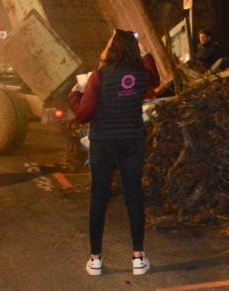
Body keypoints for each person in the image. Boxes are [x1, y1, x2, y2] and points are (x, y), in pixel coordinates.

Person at [69, 29, 160, 277]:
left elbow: (83, 115)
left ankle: (95, 260)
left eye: (109, 41)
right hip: (131, 141)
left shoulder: (99, 77)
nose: (106, 45)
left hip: (104, 143)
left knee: (99, 198)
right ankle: (138, 259)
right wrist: (144, 51)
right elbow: (156, 80)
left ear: (114, 47)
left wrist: (76, 92)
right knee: (134, 197)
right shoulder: (142, 75)